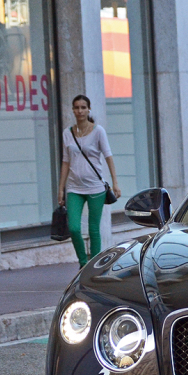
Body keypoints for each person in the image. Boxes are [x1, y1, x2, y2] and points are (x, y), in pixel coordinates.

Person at [58, 95, 120, 268]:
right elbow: (65, 161)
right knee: (75, 228)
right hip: (74, 187)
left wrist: (115, 182)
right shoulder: (67, 133)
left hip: (95, 187)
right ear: (72, 110)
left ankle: (93, 266)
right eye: (76, 107)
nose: (80, 111)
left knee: (93, 229)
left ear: (88, 110)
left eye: (83, 107)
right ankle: (82, 263)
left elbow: (108, 156)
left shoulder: (98, 131)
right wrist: (61, 188)